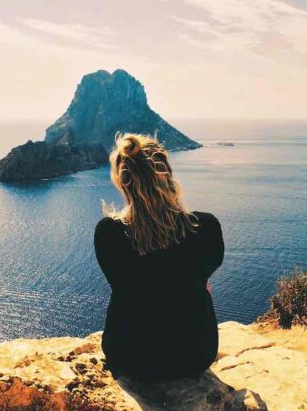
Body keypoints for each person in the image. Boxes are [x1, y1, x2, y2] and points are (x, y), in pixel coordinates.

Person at [94, 132, 224, 381]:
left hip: (130, 358)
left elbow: (126, 284)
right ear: (168, 176)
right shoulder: (206, 227)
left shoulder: (108, 234)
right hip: (193, 356)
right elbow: (201, 277)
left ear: (123, 181)